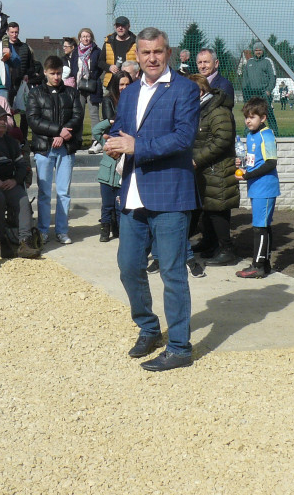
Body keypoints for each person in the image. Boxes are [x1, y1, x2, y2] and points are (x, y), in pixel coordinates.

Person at [105, 27, 200, 372]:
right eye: (145, 53)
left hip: (171, 194)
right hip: (133, 193)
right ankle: (148, 327)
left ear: (168, 52)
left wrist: (136, 146)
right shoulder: (129, 93)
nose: (152, 58)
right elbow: (121, 128)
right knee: (129, 266)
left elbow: (183, 138)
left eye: (157, 52)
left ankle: (179, 347)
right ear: (138, 56)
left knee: (173, 273)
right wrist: (113, 140)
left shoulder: (185, 89)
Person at [27, 55, 84, 245]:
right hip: (44, 147)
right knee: (44, 192)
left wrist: (63, 134)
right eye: (52, 73)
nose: (56, 77)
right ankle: (43, 230)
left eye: (59, 73)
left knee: (63, 192)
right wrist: (57, 131)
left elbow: (77, 115)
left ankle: (62, 230)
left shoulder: (71, 93)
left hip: (66, 148)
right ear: (45, 72)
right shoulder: (35, 93)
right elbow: (33, 120)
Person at [189, 74, 240, 265]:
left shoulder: (217, 111)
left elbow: (222, 140)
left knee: (218, 209)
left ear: (200, 91)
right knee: (208, 208)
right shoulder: (202, 109)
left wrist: (197, 159)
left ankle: (227, 250)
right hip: (206, 168)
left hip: (217, 169)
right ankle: (210, 243)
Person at [234, 97, 281, 278]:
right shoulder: (251, 136)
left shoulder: (266, 136)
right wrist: (242, 162)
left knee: (259, 227)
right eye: (246, 117)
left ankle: (258, 265)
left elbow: (270, 163)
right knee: (262, 226)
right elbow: (254, 160)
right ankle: (265, 263)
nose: (248, 121)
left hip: (265, 188)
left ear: (262, 118)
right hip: (256, 187)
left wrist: (248, 175)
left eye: (252, 117)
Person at [0, 107, 38, 259]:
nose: (3, 122)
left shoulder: (12, 142)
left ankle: (25, 242)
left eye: (4, 119)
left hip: (10, 182)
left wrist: (15, 180)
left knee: (23, 201)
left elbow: (21, 166)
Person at [93, 72, 134, 242]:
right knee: (107, 205)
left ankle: (119, 230)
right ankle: (105, 230)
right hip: (109, 163)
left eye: (127, 84)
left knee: (119, 204)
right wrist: (110, 122)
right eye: (121, 84)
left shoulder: (134, 101)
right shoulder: (109, 100)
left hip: (124, 161)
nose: (124, 88)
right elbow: (97, 131)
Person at [68, 27, 103, 136]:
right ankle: (78, 138)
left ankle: (96, 139)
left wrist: (93, 76)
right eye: (83, 36)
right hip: (79, 85)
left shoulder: (97, 51)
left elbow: (100, 66)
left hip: (93, 85)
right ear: (80, 38)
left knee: (93, 113)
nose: (86, 38)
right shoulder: (75, 52)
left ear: (91, 37)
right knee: (79, 113)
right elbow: (73, 66)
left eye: (88, 36)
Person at [240, 43, 278, 134]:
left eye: (260, 50)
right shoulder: (249, 62)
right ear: (253, 51)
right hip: (251, 93)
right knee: (250, 113)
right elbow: (245, 77)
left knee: (267, 112)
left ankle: (274, 131)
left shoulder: (267, 61)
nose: (258, 52)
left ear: (263, 51)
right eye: (256, 50)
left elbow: (273, 77)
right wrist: (245, 90)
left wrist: (268, 90)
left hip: (263, 93)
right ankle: (248, 132)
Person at [6, 22, 36, 139]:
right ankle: (12, 137)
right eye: (12, 32)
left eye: (16, 32)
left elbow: (31, 66)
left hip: (21, 84)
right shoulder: (4, 47)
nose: (14, 34)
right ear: (8, 32)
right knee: (9, 112)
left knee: (24, 113)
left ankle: (23, 138)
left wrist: (28, 74)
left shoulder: (24, 47)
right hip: (8, 84)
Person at [99, 16, 137, 93]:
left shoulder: (135, 42)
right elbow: (100, 62)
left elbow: (140, 62)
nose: (120, 28)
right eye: (118, 25)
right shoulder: (108, 41)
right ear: (115, 27)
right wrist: (109, 67)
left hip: (130, 83)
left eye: (123, 25)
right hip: (111, 82)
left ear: (128, 26)